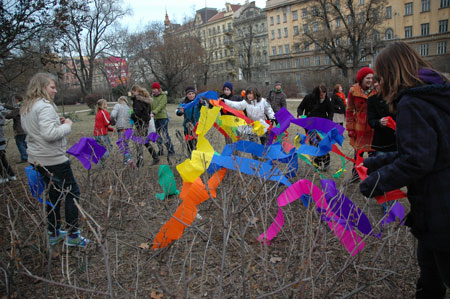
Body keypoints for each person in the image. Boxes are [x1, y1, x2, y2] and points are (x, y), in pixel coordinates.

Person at [359, 42, 450, 298]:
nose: (377, 83)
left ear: (391, 72)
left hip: (439, 207)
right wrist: (374, 163)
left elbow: (417, 161)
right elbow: (428, 149)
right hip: (438, 204)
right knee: (430, 273)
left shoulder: (412, 103)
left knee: (439, 271)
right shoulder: (437, 93)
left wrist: (373, 183)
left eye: (379, 77)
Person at [21, 73, 89, 247]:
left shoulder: (28, 106)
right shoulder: (44, 106)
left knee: (53, 195)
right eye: (52, 87)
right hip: (52, 159)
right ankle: (73, 235)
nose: (55, 91)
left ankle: (54, 232)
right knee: (72, 193)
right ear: (42, 87)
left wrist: (56, 123)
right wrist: (67, 126)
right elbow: (49, 134)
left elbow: (37, 130)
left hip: (36, 158)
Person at [346, 66, 377, 183]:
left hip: (373, 127)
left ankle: (372, 177)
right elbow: (349, 110)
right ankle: (356, 175)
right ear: (361, 79)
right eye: (367, 78)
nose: (370, 80)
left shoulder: (377, 89)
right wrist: (350, 128)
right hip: (359, 127)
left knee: (373, 154)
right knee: (358, 153)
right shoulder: (354, 90)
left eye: (371, 78)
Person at [296, 84, 334, 171]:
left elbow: (331, 111)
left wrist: (329, 120)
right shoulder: (308, 98)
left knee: (323, 143)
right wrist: (299, 115)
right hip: (310, 125)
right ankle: (317, 163)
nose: (323, 96)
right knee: (314, 143)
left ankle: (326, 162)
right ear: (316, 93)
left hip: (322, 125)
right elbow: (300, 108)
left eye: (324, 94)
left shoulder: (326, 99)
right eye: (321, 95)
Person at [130, 85, 159, 167]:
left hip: (141, 123)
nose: (132, 94)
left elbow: (138, 113)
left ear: (136, 91)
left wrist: (132, 115)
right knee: (142, 141)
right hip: (145, 123)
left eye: (133, 92)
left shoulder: (138, 101)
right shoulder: (146, 101)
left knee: (139, 142)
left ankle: (141, 161)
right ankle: (153, 157)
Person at [151, 82, 175, 158]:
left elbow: (161, 105)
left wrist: (154, 112)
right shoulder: (152, 97)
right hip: (155, 118)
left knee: (165, 134)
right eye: (153, 89)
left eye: (155, 89)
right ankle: (160, 149)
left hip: (163, 117)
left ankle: (171, 150)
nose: (154, 90)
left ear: (159, 89)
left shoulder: (163, 96)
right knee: (156, 134)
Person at [176, 87, 201, 154]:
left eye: (193, 93)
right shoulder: (184, 103)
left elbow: (204, 105)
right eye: (189, 94)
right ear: (187, 95)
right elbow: (178, 111)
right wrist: (180, 112)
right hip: (187, 127)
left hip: (196, 127)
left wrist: (202, 102)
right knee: (189, 144)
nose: (191, 95)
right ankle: (190, 157)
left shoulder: (198, 102)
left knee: (196, 144)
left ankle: (197, 157)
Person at [111, 96, 134, 166]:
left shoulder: (117, 105)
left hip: (122, 128)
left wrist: (113, 122)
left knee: (122, 145)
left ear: (119, 100)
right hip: (129, 129)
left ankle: (128, 159)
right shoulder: (128, 107)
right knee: (126, 145)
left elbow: (112, 115)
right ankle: (126, 161)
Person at [5, 95, 28, 163]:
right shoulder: (24, 106)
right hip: (25, 128)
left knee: (19, 143)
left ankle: (24, 158)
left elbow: (10, 116)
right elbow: (13, 108)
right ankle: (30, 155)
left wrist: (4, 114)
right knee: (24, 143)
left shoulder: (17, 108)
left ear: (17, 99)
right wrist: (4, 105)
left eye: (14, 99)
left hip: (19, 129)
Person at [0, 104, 17, 183]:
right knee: (3, 158)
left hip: (1, 140)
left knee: (2, 158)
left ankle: (6, 176)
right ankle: (9, 175)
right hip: (1, 139)